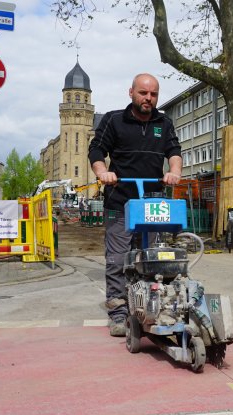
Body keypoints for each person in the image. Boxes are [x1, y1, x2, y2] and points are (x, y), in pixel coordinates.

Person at [88, 73, 182, 337]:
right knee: (118, 259)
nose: (148, 98)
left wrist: (174, 171)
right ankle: (118, 312)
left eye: (153, 94)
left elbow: (174, 151)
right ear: (131, 93)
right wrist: (102, 172)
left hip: (152, 204)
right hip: (120, 201)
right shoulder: (114, 119)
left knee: (153, 258)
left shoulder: (164, 123)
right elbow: (96, 150)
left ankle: (152, 307)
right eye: (143, 93)